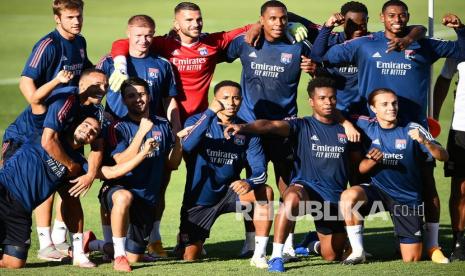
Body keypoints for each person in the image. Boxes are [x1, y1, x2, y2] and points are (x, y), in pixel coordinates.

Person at [314, 0, 465, 263]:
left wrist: (460, 28)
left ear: (407, 17)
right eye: (392, 15)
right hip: (374, 131)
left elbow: (462, 50)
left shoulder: (424, 44)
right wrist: (326, 29)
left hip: (413, 131)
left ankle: (431, 244)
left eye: (402, 15)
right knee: (363, 182)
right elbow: (321, 56)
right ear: (382, 18)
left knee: (427, 185)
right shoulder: (365, 44)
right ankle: (356, 246)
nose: (397, 19)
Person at [108, 3, 263, 256]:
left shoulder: (212, 43)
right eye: (189, 20)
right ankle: (153, 237)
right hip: (170, 123)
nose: (195, 24)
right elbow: (125, 41)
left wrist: (261, 25)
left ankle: (201, 236)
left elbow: (248, 28)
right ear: (176, 23)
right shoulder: (163, 45)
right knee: (160, 180)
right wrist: (119, 62)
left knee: (200, 177)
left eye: (198, 19)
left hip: (203, 122)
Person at [223, 77, 360, 272]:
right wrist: (243, 127)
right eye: (322, 98)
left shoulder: (347, 130)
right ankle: (277, 256)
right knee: (291, 197)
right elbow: (269, 125)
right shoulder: (301, 125)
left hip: (333, 197)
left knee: (331, 255)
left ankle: (313, 242)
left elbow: (355, 168)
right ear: (311, 101)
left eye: (332, 98)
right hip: (307, 189)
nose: (327, 103)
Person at [0, 115, 158, 269]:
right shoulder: (47, 134)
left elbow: (112, 172)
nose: (89, 130)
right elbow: (38, 104)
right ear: (75, 124)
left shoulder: (80, 164)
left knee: (14, 264)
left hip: (20, 212)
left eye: (94, 132)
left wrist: (143, 153)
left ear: (92, 141)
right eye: (86, 124)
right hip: (3, 193)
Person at [225, 0, 315, 258]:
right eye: (272, 18)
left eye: (283, 18)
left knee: (287, 183)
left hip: (284, 127)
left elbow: (321, 66)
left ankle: (286, 241)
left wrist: (314, 67)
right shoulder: (246, 42)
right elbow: (223, 51)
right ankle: (251, 240)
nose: (278, 23)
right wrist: (252, 28)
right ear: (262, 20)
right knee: (250, 184)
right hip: (250, 126)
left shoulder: (298, 44)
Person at [14, 0, 93, 260]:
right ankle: (44, 242)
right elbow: (26, 84)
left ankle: (59, 244)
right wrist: (39, 109)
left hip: (62, 125)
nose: (76, 21)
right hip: (33, 130)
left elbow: (86, 70)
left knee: (61, 181)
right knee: (35, 184)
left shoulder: (79, 42)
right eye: (70, 17)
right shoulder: (48, 45)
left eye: (79, 16)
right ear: (57, 19)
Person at [339, 88, 449, 264]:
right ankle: (358, 251)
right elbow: (336, 113)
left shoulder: (413, 129)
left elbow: (443, 156)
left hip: (406, 197)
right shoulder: (365, 125)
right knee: (348, 196)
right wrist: (347, 125)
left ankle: (415, 237)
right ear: (373, 109)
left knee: (411, 258)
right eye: (384, 104)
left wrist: (425, 142)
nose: (391, 108)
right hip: (378, 191)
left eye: (394, 103)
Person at [176, 80, 272, 268]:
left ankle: (257, 252)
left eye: (236, 98)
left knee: (264, 192)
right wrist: (210, 112)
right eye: (225, 98)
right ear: (216, 100)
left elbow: (260, 171)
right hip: (200, 200)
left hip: (230, 193)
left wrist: (249, 182)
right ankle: (187, 241)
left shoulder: (247, 131)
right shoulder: (196, 121)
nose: (231, 102)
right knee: (189, 256)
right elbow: (187, 145)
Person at [98, 77, 182, 270]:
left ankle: (96, 244)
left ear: (149, 96)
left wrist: (178, 142)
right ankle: (119, 256)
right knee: (123, 197)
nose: (137, 99)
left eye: (141, 94)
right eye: (131, 96)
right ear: (124, 100)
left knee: (135, 257)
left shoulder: (162, 124)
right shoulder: (117, 127)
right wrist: (141, 134)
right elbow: (120, 161)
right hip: (119, 190)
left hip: (147, 199)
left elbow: (172, 164)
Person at [432, 58, 465, 261]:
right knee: (460, 189)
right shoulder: (460, 49)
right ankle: (459, 242)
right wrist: (433, 119)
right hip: (462, 129)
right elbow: (444, 81)